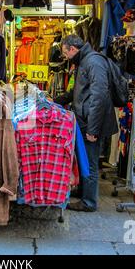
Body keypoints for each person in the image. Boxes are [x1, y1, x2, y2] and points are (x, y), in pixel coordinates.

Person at [55, 34, 118, 212]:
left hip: (91, 122)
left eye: (65, 53)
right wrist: (54, 100)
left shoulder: (93, 62)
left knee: (90, 160)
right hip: (84, 119)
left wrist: (93, 128)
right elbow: (77, 92)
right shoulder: (85, 62)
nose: (65, 57)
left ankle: (89, 202)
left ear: (73, 49)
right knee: (83, 158)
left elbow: (99, 97)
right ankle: (84, 192)